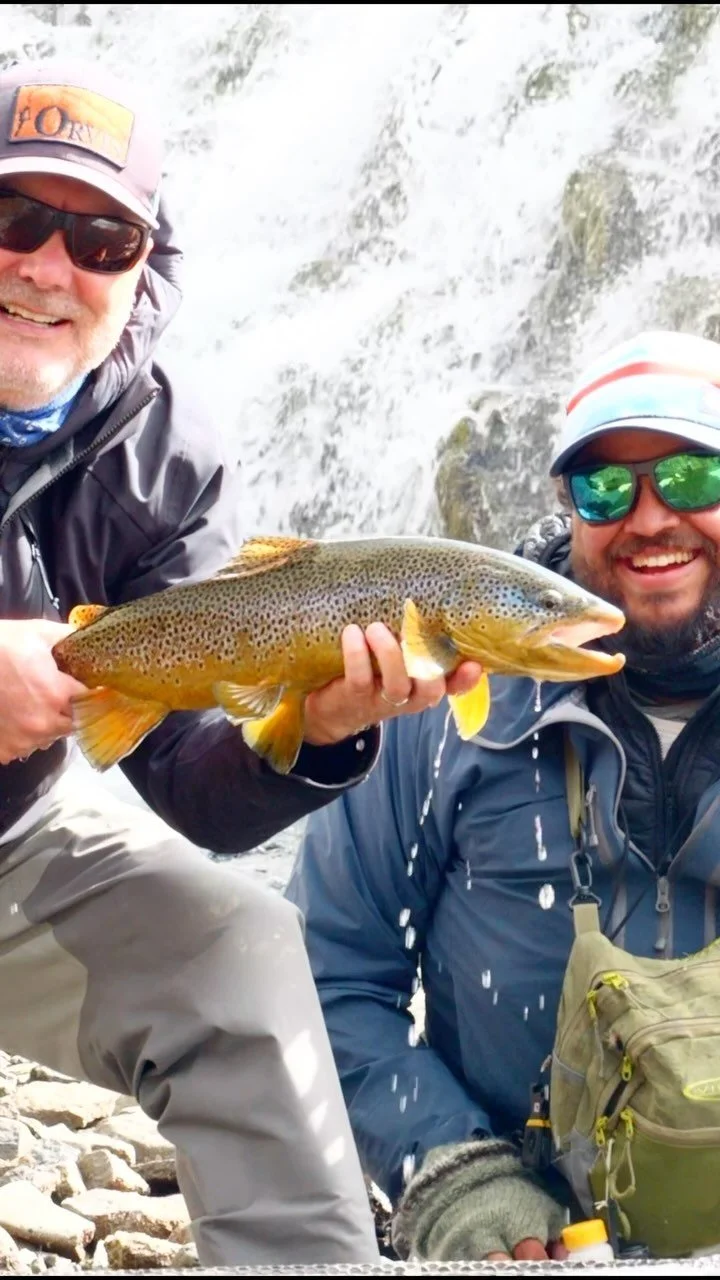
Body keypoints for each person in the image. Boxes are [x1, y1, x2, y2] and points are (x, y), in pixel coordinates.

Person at [0, 55, 482, 1266]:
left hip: (14, 839)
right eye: (14, 218)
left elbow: (189, 780)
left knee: (243, 943)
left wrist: (312, 731)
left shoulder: (166, 452)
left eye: (101, 240)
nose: (49, 266)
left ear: (144, 264)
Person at [286, 327, 720, 1262]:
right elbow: (326, 976)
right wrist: (450, 1170)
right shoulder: (431, 699)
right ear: (568, 510)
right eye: (605, 488)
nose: (650, 518)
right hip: (515, 1239)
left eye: (694, 477)